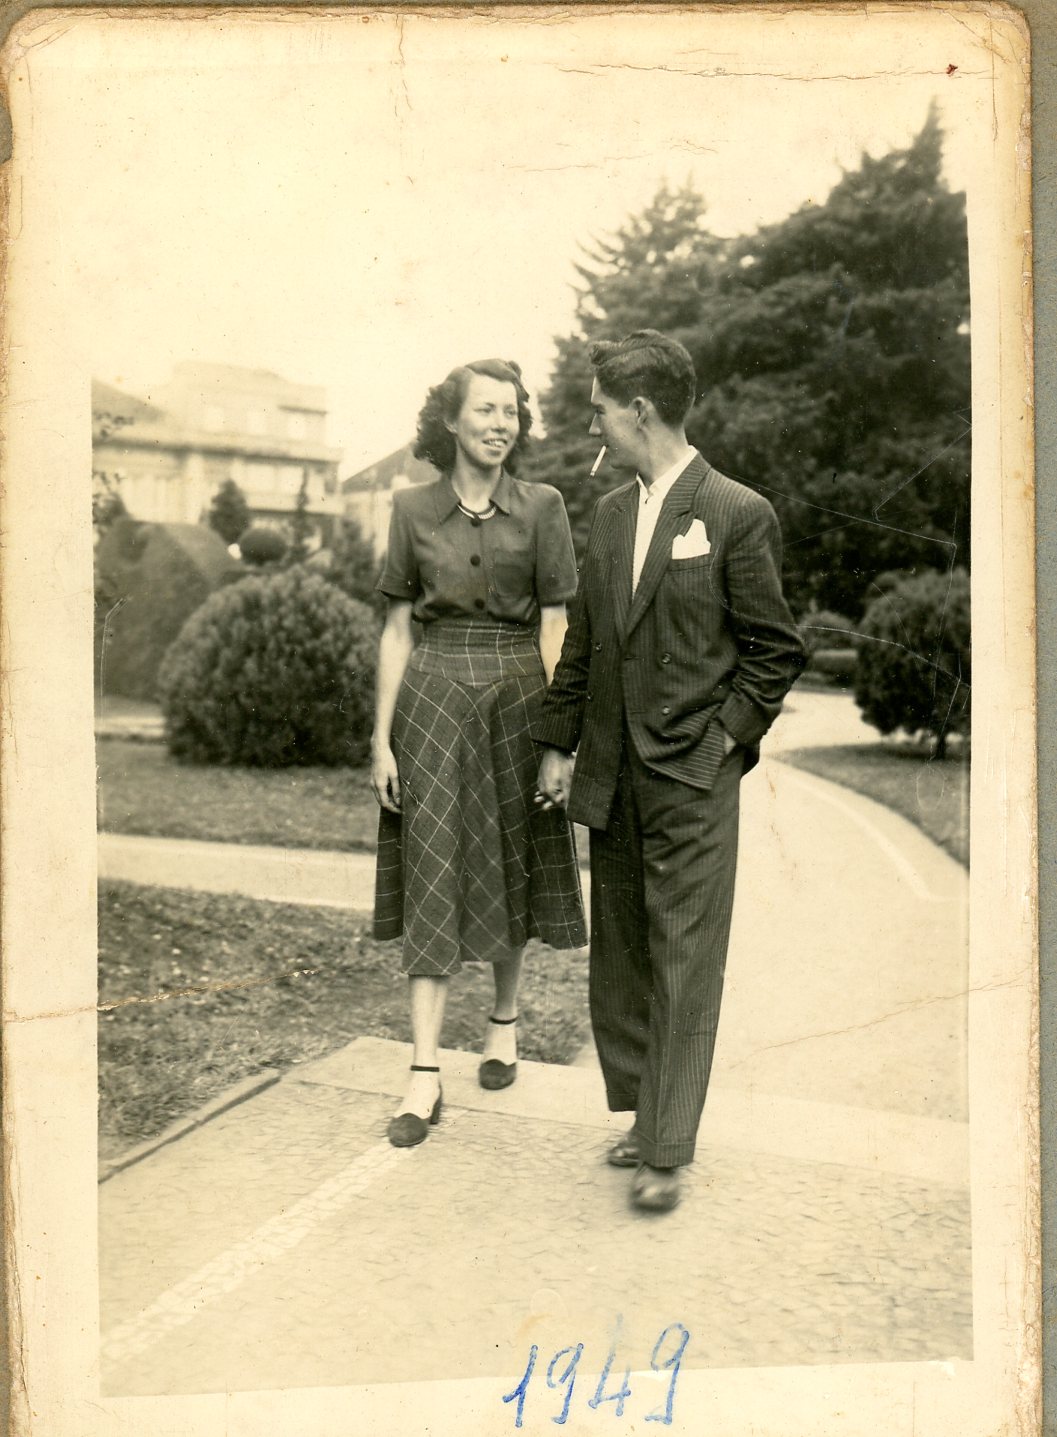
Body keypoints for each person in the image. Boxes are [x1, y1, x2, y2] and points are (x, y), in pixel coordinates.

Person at [533, 330, 805, 1213]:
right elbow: (583, 645)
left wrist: (721, 747)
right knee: (621, 959)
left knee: (684, 958)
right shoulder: (611, 514)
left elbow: (774, 651)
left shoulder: (736, 511)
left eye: (600, 410)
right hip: (612, 774)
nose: (593, 425)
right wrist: (556, 744)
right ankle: (642, 1114)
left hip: (691, 777)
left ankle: (665, 1148)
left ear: (639, 411)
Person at [372, 357, 587, 1148]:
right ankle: (423, 1071)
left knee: (511, 856)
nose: (501, 424)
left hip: (518, 695)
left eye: (511, 412)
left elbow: (556, 624)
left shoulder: (544, 507)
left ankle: (503, 1021)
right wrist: (380, 740)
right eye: (486, 410)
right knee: (431, 863)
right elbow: (397, 630)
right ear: (451, 420)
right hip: (430, 696)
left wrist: (557, 737)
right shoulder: (409, 507)